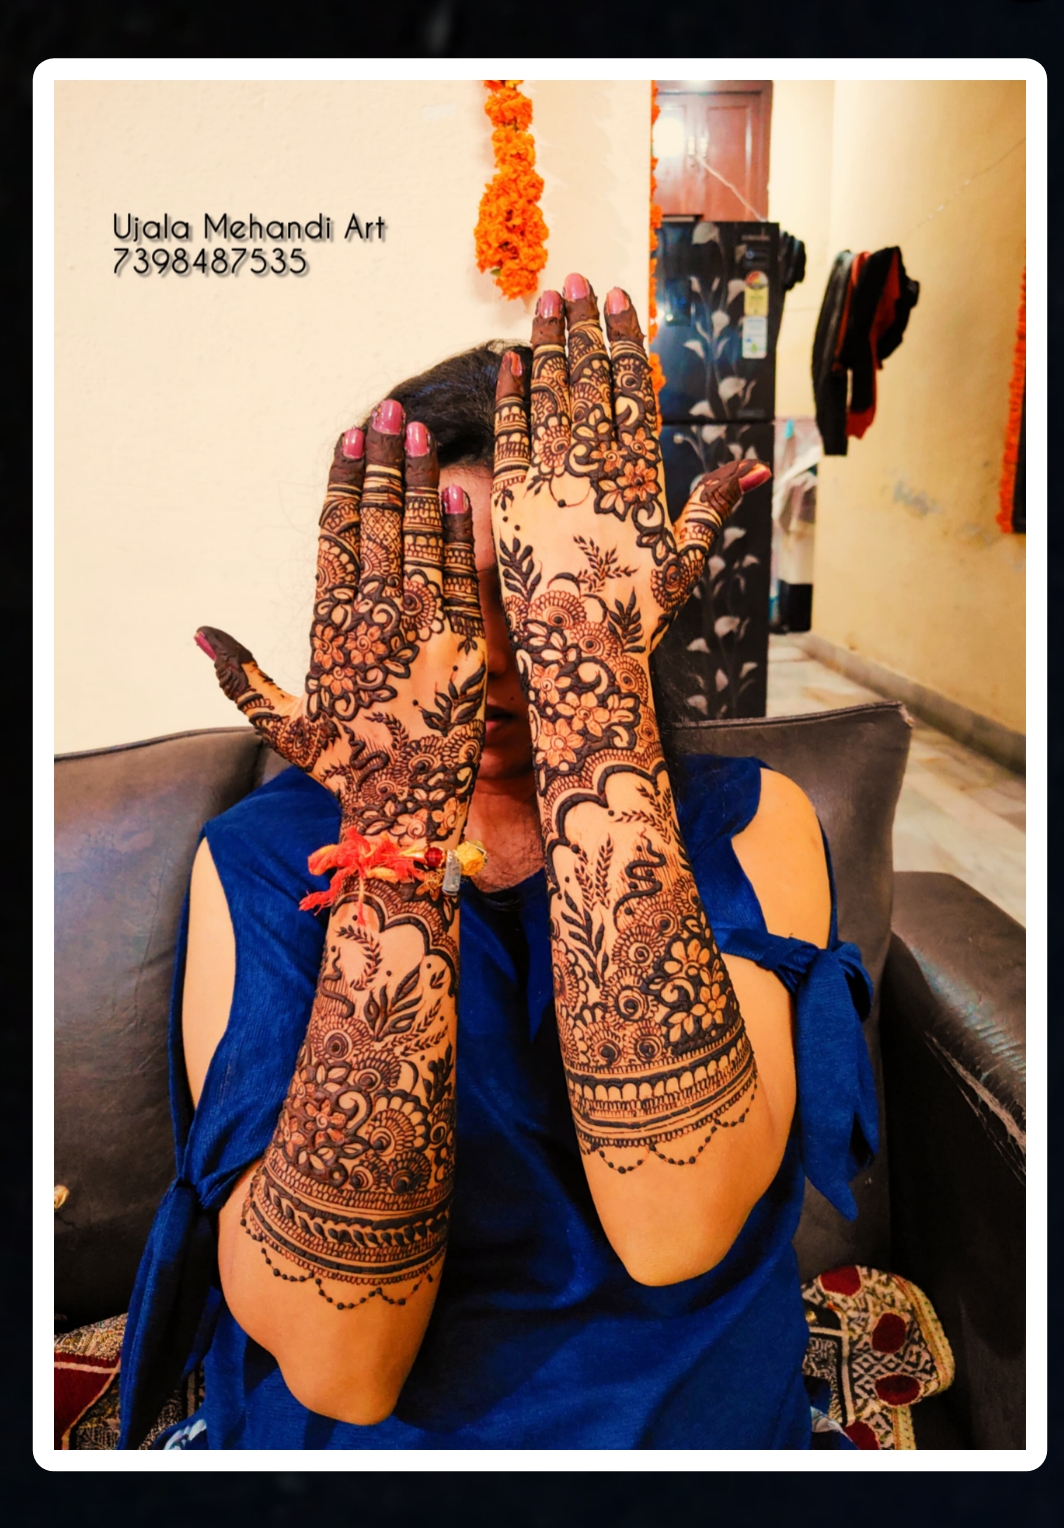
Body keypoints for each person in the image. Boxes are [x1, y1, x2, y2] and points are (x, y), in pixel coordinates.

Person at [118, 274, 877, 1451]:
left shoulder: (747, 820)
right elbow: (340, 1365)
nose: (498, 663)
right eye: (448, 610)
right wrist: (401, 843)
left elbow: (677, 1227)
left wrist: (593, 702)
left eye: (542, 602)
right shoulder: (265, 858)